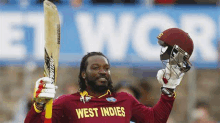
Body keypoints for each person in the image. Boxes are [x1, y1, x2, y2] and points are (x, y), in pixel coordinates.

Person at [24, 28, 194, 123]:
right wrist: (38, 105)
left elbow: (156, 120)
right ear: (84, 74)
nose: (102, 71)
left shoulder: (125, 100)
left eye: (106, 68)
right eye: (95, 67)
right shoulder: (67, 102)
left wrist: (169, 89)